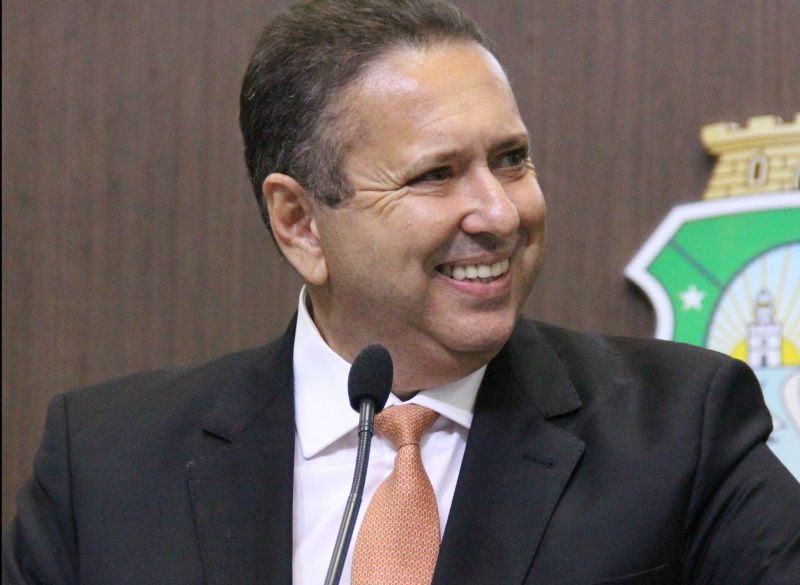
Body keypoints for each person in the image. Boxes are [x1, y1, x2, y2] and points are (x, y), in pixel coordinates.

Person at [4, 0, 799, 583]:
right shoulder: (104, 466)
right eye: (436, 174)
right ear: (301, 223)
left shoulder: (682, 431)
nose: (499, 212)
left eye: (511, 159)